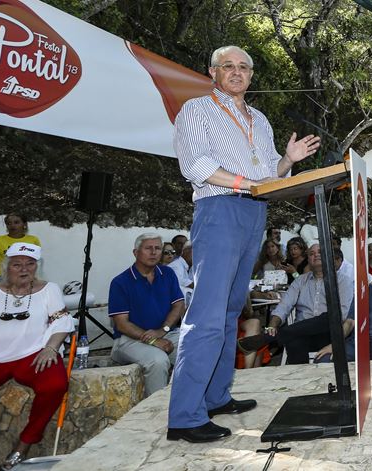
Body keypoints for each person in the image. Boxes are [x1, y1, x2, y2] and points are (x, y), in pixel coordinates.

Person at [169, 45, 320, 443]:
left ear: (251, 76)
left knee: (231, 311)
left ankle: (216, 396)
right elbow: (195, 165)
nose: (236, 73)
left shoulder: (260, 119)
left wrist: (288, 160)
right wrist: (246, 184)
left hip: (255, 212)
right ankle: (184, 416)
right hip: (218, 209)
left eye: (243, 68)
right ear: (212, 72)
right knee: (205, 314)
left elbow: (269, 173)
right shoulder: (196, 110)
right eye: (228, 67)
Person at [0, 243, 72, 471]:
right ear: (6, 267)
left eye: (30, 264)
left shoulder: (49, 289)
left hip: (32, 355)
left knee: (55, 385)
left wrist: (51, 347)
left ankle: (22, 447)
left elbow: (61, 321)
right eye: (17, 264)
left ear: (37, 266)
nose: (24, 269)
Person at [109, 234, 185, 397]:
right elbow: (122, 324)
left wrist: (162, 330)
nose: (154, 252)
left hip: (167, 333)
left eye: (158, 248)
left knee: (192, 351)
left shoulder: (168, 274)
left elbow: (178, 305)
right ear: (135, 252)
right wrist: (153, 340)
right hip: (128, 340)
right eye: (148, 248)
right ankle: (156, 413)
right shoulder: (120, 282)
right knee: (158, 361)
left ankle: (189, 404)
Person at [264, 244, 353, 364]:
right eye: (311, 253)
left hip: (329, 333)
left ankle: (271, 338)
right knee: (294, 340)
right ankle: (300, 379)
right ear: (308, 260)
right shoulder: (300, 281)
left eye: (320, 252)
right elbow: (284, 306)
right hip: (301, 333)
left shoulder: (343, 280)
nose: (315, 255)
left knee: (331, 315)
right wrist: (272, 325)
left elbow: (342, 315)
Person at [0, 214, 41, 283]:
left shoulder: (33, 240)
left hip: (26, 278)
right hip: (2, 278)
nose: (12, 225)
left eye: (16, 222)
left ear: (24, 224)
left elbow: (35, 263)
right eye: (9, 223)